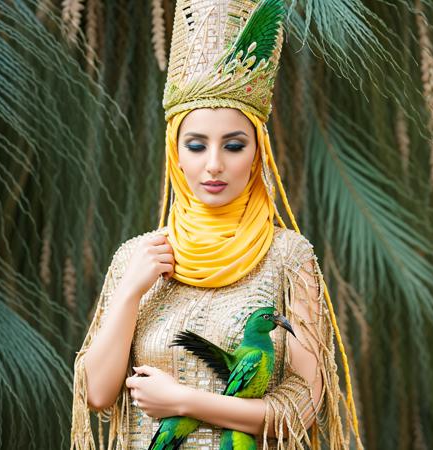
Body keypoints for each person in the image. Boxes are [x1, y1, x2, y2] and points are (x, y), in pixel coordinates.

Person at [71, 1, 363, 449]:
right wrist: (130, 291)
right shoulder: (137, 258)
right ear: (176, 154)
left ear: (257, 153)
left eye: (232, 144)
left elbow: (305, 405)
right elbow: (97, 393)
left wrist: (186, 402)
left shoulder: (289, 258)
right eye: (195, 145)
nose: (213, 165)